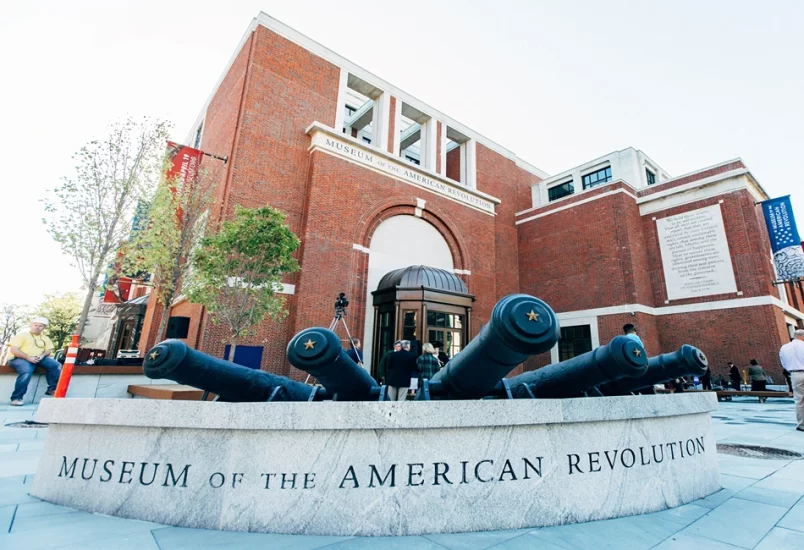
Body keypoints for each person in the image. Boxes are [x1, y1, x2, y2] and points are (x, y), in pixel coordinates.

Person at [8, 317, 61, 406]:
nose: (37, 327)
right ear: (31, 325)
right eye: (35, 325)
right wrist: (28, 357)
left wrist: (42, 355)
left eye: (40, 326)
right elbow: (14, 350)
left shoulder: (45, 338)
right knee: (26, 370)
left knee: (56, 365)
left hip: (38, 358)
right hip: (19, 358)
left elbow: (48, 350)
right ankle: (16, 398)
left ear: (44, 328)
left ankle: (52, 388)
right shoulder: (22, 335)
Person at [779, 329, 804, 432]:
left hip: (794, 374)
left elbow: (783, 363)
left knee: (799, 400)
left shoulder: (784, 348)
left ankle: (802, 424)